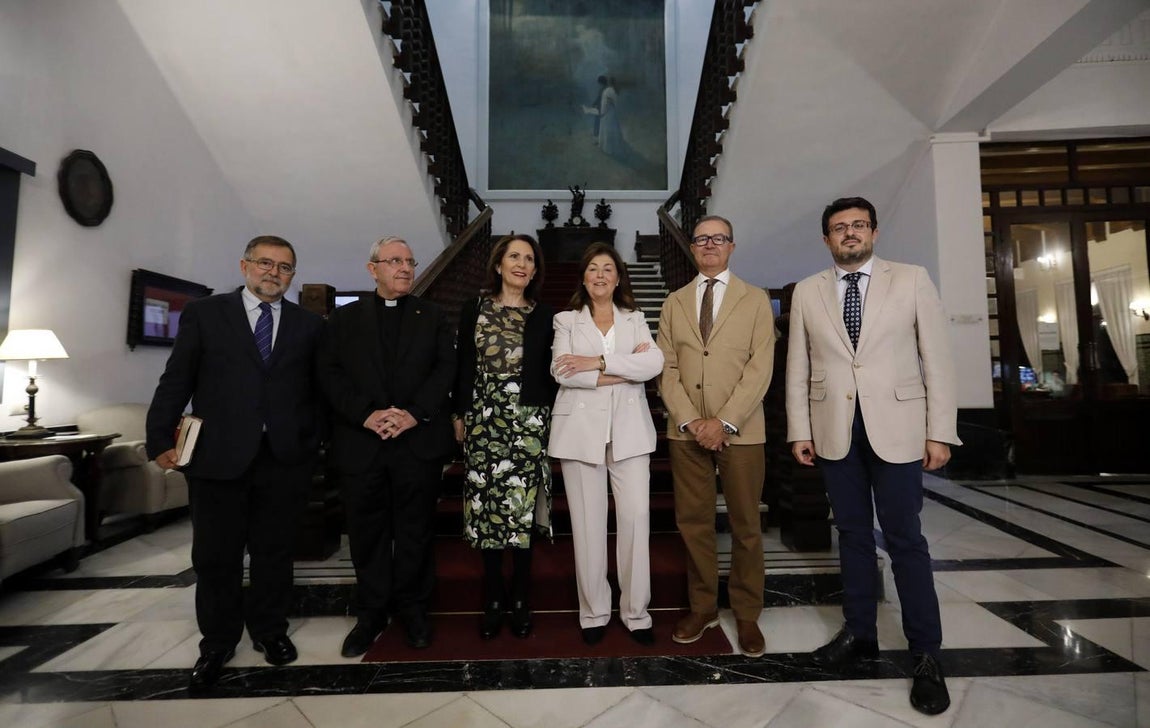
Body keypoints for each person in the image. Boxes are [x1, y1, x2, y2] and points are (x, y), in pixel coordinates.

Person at [785, 197, 960, 716]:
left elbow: (938, 359)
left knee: (906, 540)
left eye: (858, 225)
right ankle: (860, 635)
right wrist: (800, 428)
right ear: (826, 240)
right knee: (853, 536)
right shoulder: (806, 292)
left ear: (875, 233)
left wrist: (941, 432)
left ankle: (926, 654)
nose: (850, 233)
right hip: (834, 430)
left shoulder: (911, 279)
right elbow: (798, 365)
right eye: (840, 228)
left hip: (902, 429)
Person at [145, 235, 323, 690]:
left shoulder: (310, 325)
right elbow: (177, 377)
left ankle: (270, 631)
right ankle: (217, 642)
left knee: (274, 554)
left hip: (283, 459)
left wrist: (313, 442)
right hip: (217, 457)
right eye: (266, 263)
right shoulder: (206, 313)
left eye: (285, 267)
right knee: (215, 556)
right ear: (244, 266)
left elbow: (317, 392)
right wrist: (157, 436)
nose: (274, 273)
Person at [317, 236, 456, 657]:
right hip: (362, 442)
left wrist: (414, 413)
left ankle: (413, 609)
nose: (405, 268)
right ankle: (372, 612)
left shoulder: (432, 315)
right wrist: (367, 415)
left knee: (415, 532)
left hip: (417, 442)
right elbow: (329, 374)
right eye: (394, 261)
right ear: (371, 268)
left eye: (410, 261)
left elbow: (445, 370)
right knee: (366, 534)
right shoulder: (343, 320)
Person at [656, 215, 776, 658]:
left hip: (741, 433)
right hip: (686, 433)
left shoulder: (756, 300)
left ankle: (746, 614)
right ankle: (702, 606)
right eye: (702, 239)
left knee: (746, 526)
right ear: (692, 247)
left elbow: (760, 368)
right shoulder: (674, 302)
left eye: (718, 238)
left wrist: (723, 421)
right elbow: (665, 368)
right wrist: (691, 420)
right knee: (694, 524)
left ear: (731, 245)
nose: (709, 245)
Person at [549, 243, 664, 646]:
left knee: (635, 521)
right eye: (593, 268)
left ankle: (636, 613)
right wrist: (625, 370)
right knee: (588, 525)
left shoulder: (635, 319)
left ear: (618, 278)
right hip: (581, 434)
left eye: (608, 269)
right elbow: (562, 371)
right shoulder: (565, 320)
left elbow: (653, 364)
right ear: (583, 277)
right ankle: (594, 611)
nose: (600, 275)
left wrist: (597, 363)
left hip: (630, 433)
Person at [454, 234, 557, 640]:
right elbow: (464, 364)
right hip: (484, 419)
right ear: (499, 264)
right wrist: (458, 413)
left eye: (529, 259)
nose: (521, 264)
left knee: (523, 510)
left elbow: (553, 371)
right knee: (487, 508)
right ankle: (494, 595)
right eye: (514, 256)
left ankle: (520, 598)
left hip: (529, 421)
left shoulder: (547, 314)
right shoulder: (473, 308)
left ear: (534, 271)